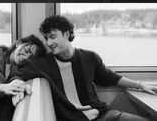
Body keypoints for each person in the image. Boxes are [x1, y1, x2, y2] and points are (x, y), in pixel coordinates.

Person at [10, 15, 157, 121]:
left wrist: (139, 85)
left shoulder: (90, 57)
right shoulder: (43, 64)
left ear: (67, 34)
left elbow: (110, 77)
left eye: (53, 36)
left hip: (104, 115)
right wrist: (16, 82)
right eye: (46, 38)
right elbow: (17, 72)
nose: (49, 42)